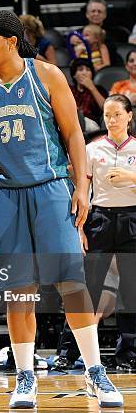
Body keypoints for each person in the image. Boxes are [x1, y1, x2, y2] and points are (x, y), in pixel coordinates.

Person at [0, 9, 123, 409]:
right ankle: (25, 376)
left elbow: (73, 134)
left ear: (11, 41)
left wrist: (83, 186)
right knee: (19, 290)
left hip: (50, 189)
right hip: (3, 195)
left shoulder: (46, 75)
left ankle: (94, 372)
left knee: (71, 284)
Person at [83, 95, 136, 368]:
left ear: (129, 116)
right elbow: (82, 190)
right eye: (107, 115)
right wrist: (79, 226)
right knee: (88, 287)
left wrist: (130, 177)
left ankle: (127, 354)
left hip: (131, 219)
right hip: (99, 218)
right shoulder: (92, 149)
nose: (111, 120)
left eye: (117, 114)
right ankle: (75, 352)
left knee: (130, 290)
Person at [69, 58, 107, 125]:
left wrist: (92, 88)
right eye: (80, 70)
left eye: (88, 70)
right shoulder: (69, 90)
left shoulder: (99, 89)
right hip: (72, 122)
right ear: (74, 75)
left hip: (92, 124)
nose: (84, 73)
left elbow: (107, 108)